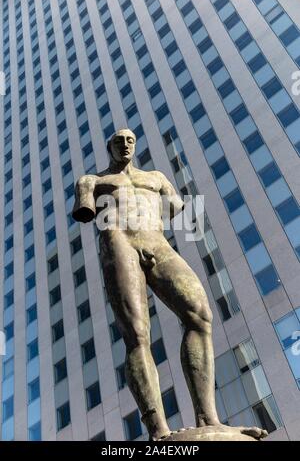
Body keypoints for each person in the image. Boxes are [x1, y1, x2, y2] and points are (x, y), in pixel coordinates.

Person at [73, 128, 266, 441]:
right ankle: (158, 430)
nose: (125, 144)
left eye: (130, 140)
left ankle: (208, 418)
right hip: (119, 242)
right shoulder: (92, 180)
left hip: (158, 243)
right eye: (118, 141)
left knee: (200, 315)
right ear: (108, 146)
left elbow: (182, 213)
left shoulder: (157, 177)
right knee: (137, 334)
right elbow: (85, 212)